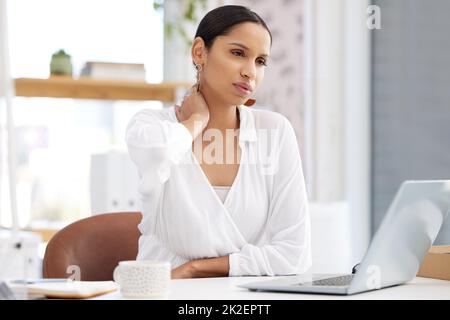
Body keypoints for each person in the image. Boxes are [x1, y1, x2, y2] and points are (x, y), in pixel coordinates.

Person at [126, 5, 311, 279]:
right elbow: (158, 153)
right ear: (200, 51)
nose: (251, 72)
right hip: (163, 292)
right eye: (238, 53)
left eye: (261, 61)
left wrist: (194, 268)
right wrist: (196, 122)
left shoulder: (275, 131)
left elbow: (295, 255)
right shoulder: (151, 126)